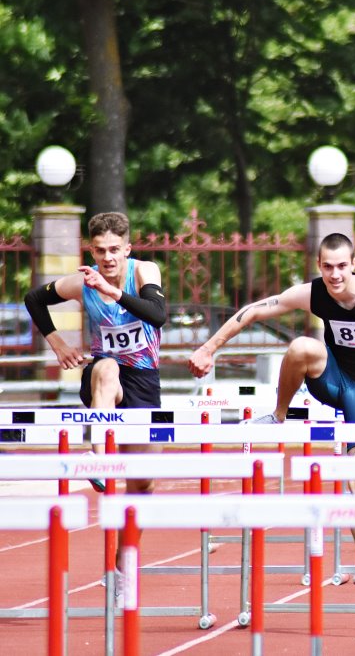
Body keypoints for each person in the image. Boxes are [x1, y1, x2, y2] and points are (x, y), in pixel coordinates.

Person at [188, 233, 355, 587]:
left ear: (354, 264)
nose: (335, 275)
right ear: (319, 266)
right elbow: (252, 312)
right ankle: (278, 415)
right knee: (301, 346)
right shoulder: (313, 293)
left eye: (342, 266)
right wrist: (208, 349)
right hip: (331, 379)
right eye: (328, 267)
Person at [24, 211, 166, 604]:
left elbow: (158, 316)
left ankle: (123, 565)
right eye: (100, 250)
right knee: (105, 368)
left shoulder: (143, 272)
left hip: (143, 382)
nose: (107, 258)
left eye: (114, 250)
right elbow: (33, 298)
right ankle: (98, 454)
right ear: (92, 249)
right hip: (104, 380)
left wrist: (114, 290)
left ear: (128, 248)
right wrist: (57, 343)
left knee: (143, 485)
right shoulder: (82, 282)